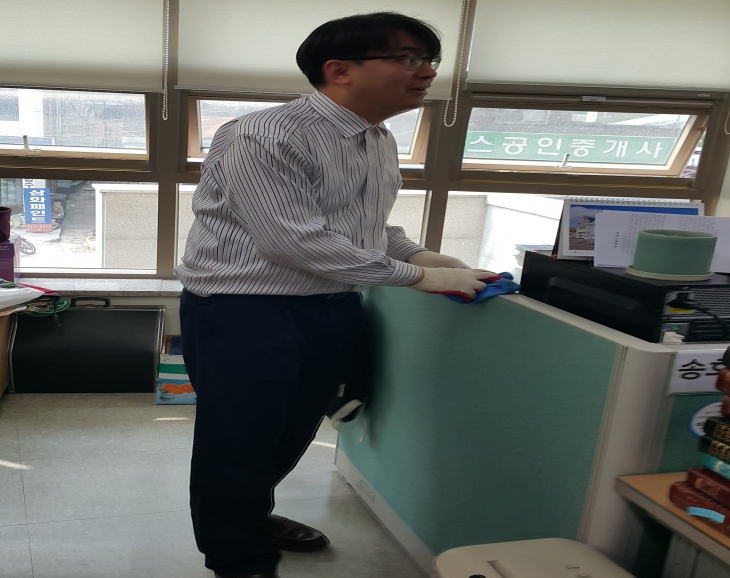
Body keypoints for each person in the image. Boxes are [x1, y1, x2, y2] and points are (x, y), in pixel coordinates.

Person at [175, 12, 495, 578]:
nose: (426, 73)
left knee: (293, 433)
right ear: (339, 69)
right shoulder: (263, 135)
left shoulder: (378, 139)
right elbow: (290, 241)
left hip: (333, 307)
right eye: (407, 59)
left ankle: (250, 516)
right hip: (245, 310)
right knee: (239, 441)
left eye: (429, 60)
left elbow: (361, 228)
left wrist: (422, 255)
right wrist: (418, 278)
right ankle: (239, 559)